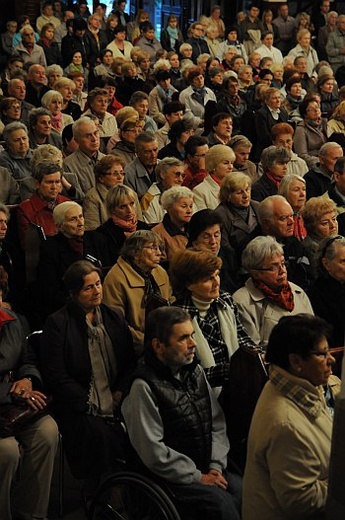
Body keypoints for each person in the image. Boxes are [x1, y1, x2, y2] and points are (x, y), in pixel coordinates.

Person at [122, 305, 242, 520]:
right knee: (223, 506)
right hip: (171, 478)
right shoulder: (143, 386)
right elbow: (153, 452)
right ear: (158, 346)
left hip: (207, 464)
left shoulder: (195, 371)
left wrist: (215, 465)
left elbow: (216, 422)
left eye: (192, 335)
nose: (193, 343)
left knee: (247, 493)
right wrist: (198, 477)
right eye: (183, 338)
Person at [40, 260, 136, 483]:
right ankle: (104, 492)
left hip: (118, 395)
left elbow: (129, 362)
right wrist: (87, 402)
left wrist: (120, 393)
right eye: (88, 287)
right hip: (79, 403)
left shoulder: (113, 316)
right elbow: (56, 374)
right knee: (102, 435)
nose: (97, 291)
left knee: (143, 424)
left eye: (99, 284)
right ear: (74, 293)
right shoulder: (58, 323)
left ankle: (135, 491)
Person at [243, 313, 334, 520]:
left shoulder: (296, 386)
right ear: (295, 361)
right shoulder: (285, 424)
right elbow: (301, 502)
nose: (331, 360)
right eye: (322, 354)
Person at [0, 269, 59, 520]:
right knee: (7, 451)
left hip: (15, 400)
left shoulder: (12, 320)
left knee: (47, 431)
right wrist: (14, 393)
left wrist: (28, 379)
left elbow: (27, 358)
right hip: (9, 399)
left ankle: (32, 514)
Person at [233, 236, 314, 349]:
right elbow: (252, 351)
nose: (282, 271)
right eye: (273, 267)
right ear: (256, 273)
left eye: (283, 263)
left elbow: (314, 334)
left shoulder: (297, 292)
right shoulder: (242, 301)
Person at [36, 201, 111, 320]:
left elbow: (108, 275)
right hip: (68, 309)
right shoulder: (50, 249)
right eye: (73, 219)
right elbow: (50, 289)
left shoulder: (97, 240)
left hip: (101, 302)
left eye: (81, 217)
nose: (80, 223)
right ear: (60, 226)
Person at [103, 230, 171, 356]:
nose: (159, 253)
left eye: (159, 248)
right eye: (152, 248)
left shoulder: (160, 272)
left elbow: (171, 301)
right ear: (135, 253)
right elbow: (117, 324)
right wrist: (148, 343)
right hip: (135, 350)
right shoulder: (115, 279)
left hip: (165, 340)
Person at [214, 172, 260, 280]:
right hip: (235, 268)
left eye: (247, 190)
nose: (245, 195)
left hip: (260, 263)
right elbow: (226, 249)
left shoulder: (258, 207)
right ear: (228, 196)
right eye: (239, 192)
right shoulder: (220, 215)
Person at [97, 185, 148, 263]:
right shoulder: (104, 232)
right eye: (123, 207)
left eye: (132, 204)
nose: (129, 210)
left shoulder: (143, 227)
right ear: (112, 210)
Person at [83, 154, 127, 231]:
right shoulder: (92, 198)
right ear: (101, 178)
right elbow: (92, 231)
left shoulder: (130, 194)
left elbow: (139, 223)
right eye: (115, 174)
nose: (120, 177)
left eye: (122, 173)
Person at [63, 117, 105, 195]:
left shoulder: (107, 160)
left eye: (96, 133)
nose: (94, 139)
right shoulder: (68, 165)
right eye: (88, 136)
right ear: (76, 140)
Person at [152, 186, 194, 264]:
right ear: (169, 208)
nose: (189, 211)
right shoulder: (157, 233)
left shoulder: (195, 228)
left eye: (191, 206)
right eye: (183, 206)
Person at [140, 157, 186, 224]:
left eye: (183, 175)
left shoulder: (186, 195)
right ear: (162, 175)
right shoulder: (148, 199)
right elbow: (151, 228)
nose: (180, 180)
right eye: (177, 174)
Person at [302, 197, 339, 273]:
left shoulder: (336, 242)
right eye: (325, 223)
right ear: (312, 227)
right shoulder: (311, 249)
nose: (333, 225)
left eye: (334, 219)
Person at [193, 145, 235, 211]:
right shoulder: (199, 191)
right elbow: (202, 219)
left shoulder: (235, 187)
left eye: (232, 163)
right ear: (213, 165)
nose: (231, 167)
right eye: (226, 163)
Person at [124, 132, 159, 200]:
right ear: (137, 153)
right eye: (148, 152)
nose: (153, 155)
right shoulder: (129, 174)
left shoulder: (164, 168)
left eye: (155, 150)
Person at [278, 174, 307, 240]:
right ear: (285, 193)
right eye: (296, 190)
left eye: (304, 189)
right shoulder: (280, 219)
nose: (302, 194)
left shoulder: (308, 215)